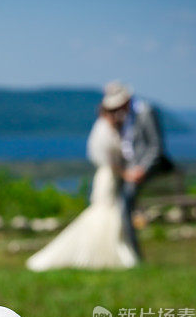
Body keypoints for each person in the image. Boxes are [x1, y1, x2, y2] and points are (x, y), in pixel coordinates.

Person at [26, 105, 139, 271]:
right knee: (103, 212)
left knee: (110, 214)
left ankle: (109, 253)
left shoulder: (110, 128)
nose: (118, 115)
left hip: (110, 177)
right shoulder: (103, 130)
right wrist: (125, 173)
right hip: (108, 177)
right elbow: (108, 159)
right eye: (113, 111)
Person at [101, 81, 173, 259]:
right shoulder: (122, 117)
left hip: (145, 168)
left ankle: (134, 254)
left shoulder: (145, 111)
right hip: (128, 169)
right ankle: (126, 251)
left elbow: (156, 146)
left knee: (126, 200)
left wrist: (143, 169)